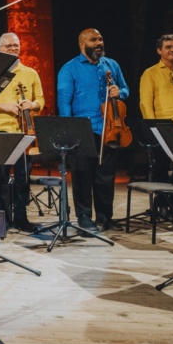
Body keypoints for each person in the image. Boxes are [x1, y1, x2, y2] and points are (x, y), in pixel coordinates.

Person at [57, 28, 129, 232]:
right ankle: (84, 216)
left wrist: (120, 91)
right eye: (93, 39)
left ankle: (105, 216)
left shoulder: (111, 65)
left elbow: (125, 88)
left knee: (106, 176)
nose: (99, 42)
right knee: (82, 175)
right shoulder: (69, 68)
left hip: (109, 128)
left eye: (101, 39)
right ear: (82, 44)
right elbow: (64, 101)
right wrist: (69, 130)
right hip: (82, 129)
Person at [0, 32, 44, 233]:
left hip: (24, 131)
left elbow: (41, 100)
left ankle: (21, 217)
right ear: (0, 49)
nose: (13, 48)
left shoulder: (30, 73)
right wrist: (5, 107)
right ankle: (2, 218)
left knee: (23, 176)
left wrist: (33, 104)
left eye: (16, 45)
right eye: (8, 46)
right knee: (0, 175)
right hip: (0, 129)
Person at [138, 34, 173, 222]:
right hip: (162, 127)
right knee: (161, 168)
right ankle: (161, 206)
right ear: (159, 51)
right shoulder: (151, 73)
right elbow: (145, 103)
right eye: (168, 47)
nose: (172, 50)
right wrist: (152, 128)